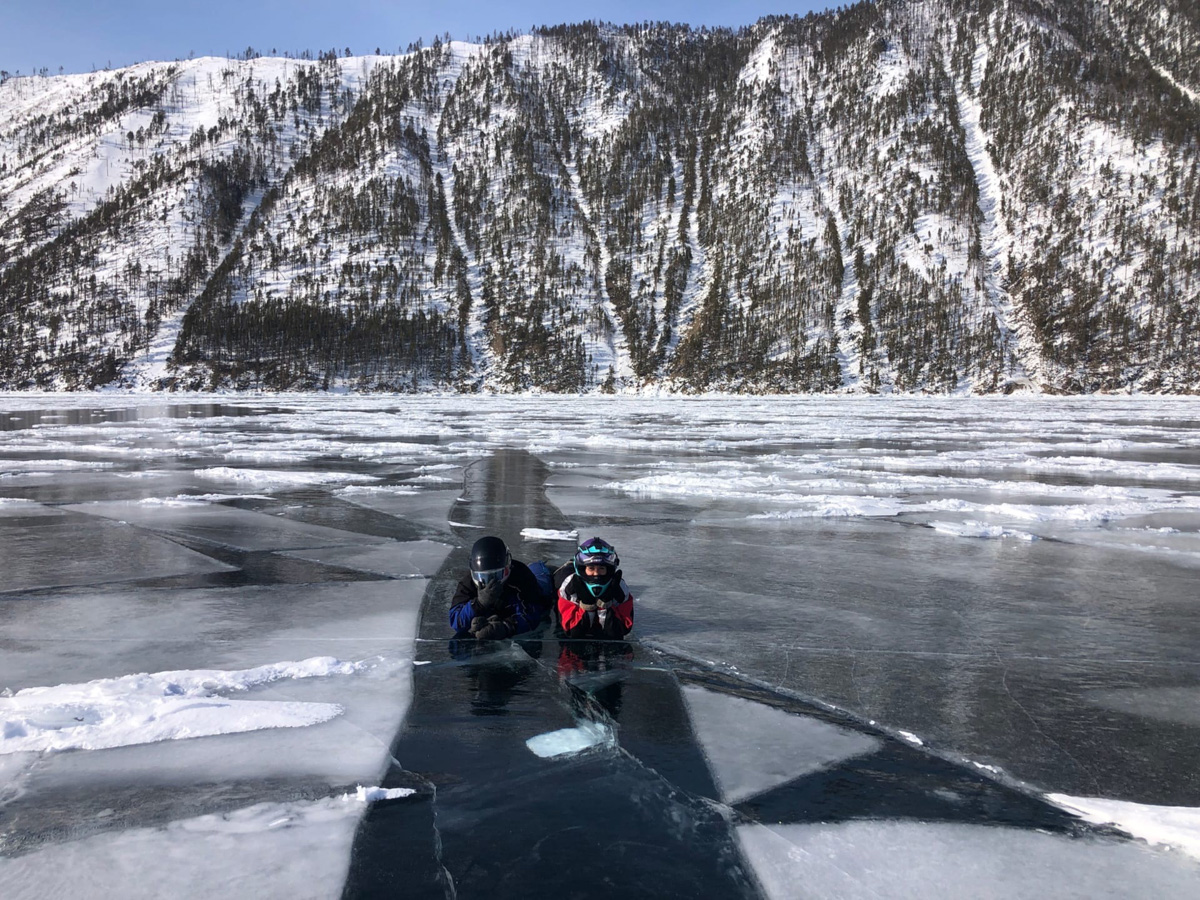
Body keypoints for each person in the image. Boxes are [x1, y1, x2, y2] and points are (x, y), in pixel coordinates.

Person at [449, 535, 550, 640]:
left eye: (495, 575)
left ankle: (539, 566)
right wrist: (478, 605)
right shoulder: (468, 583)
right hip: (500, 611)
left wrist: (507, 627)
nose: (489, 582)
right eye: (483, 577)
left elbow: (533, 612)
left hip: (535, 585)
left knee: (544, 587)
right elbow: (456, 620)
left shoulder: (521, 576)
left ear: (507, 567)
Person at [553, 536, 634, 639]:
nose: (596, 573)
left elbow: (621, 630)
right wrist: (587, 605)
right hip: (564, 574)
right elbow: (572, 632)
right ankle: (568, 565)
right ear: (583, 568)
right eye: (591, 568)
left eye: (601, 568)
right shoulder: (568, 587)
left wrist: (605, 605)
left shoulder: (620, 588)